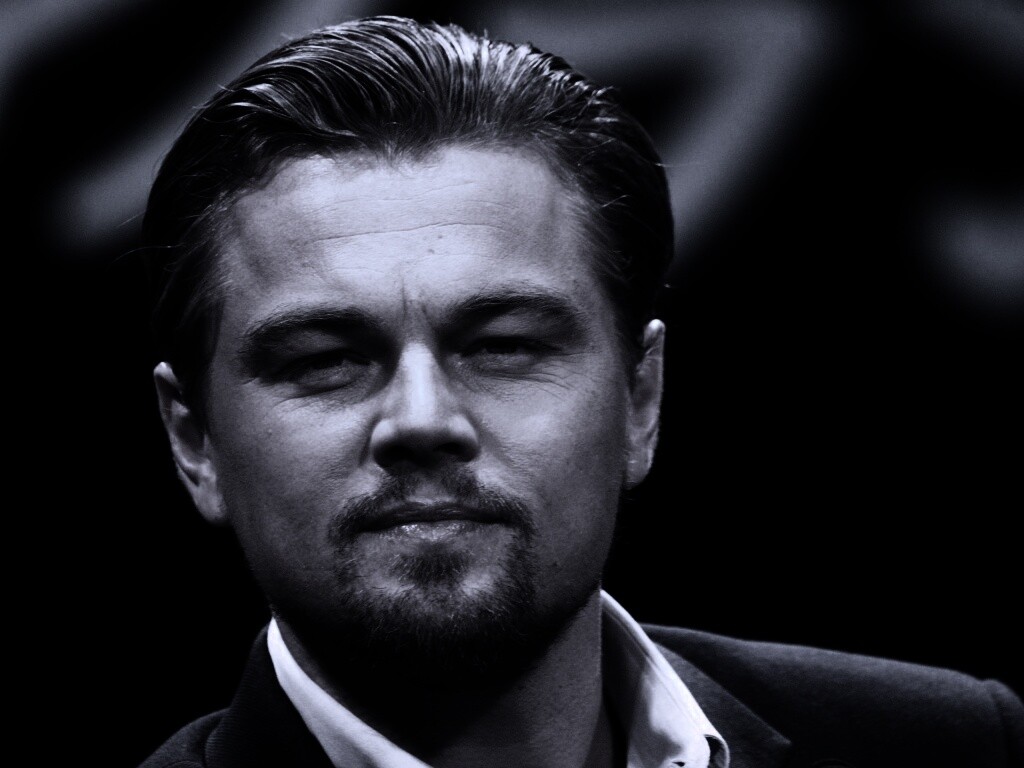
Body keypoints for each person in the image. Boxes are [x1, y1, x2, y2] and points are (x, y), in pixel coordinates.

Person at [139, 15, 1023, 768]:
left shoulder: (948, 746)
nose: (423, 420)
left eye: (504, 346)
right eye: (325, 360)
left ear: (641, 399)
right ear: (194, 440)